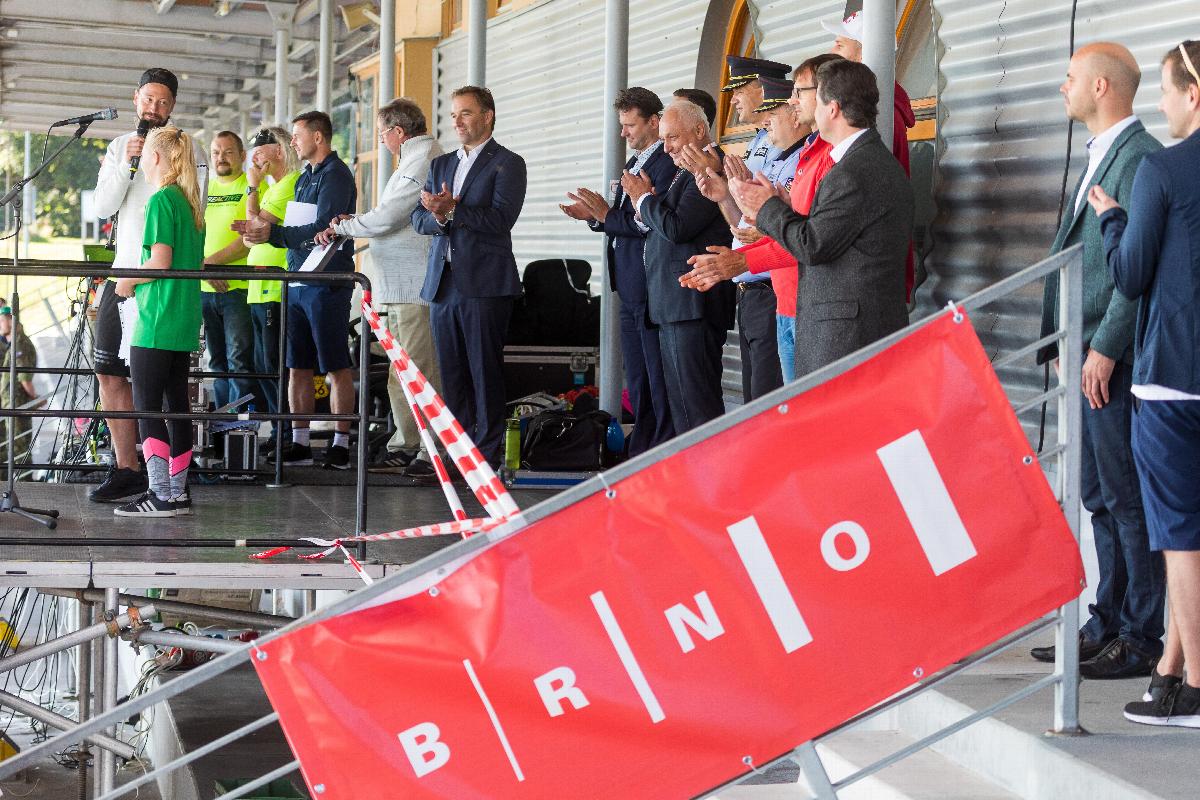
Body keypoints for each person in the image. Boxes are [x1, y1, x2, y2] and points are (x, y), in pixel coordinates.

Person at [1029, 43, 1165, 678]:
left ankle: (1141, 636)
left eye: (1070, 77)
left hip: (1113, 357)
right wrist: (1064, 343)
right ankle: (1106, 619)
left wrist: (1105, 346)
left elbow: (1137, 269)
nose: (1063, 87)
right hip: (1081, 352)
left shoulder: (1139, 158)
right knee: (1098, 495)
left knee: (1125, 496)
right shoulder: (1104, 152)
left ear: (1102, 86)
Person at [1088, 39, 1200, 728]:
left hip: (1172, 379)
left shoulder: (1162, 168)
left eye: (1165, 90)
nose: (1161, 104)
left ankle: (1195, 686)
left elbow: (1130, 275)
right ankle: (1170, 674)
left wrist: (1111, 220)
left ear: (1193, 93)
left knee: (1181, 539)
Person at [728, 59, 912, 378]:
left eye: (803, 93)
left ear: (833, 108)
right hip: (848, 329)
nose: (794, 102)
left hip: (847, 335)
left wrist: (768, 207)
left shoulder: (854, 172)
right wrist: (784, 206)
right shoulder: (860, 162)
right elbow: (829, 234)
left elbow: (813, 246)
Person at [681, 54, 843, 384]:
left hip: (786, 293)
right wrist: (725, 196)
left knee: (781, 401)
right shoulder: (788, 154)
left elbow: (808, 238)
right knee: (763, 399)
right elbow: (750, 225)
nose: (767, 126)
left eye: (798, 96)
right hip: (773, 296)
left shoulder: (825, 159)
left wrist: (742, 260)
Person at [90, 67, 207, 504]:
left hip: (160, 283)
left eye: (163, 101)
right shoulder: (120, 146)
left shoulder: (187, 150)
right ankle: (129, 468)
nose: (154, 108)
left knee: (163, 388)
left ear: (172, 106)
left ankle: (170, 483)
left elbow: (196, 208)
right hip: (124, 273)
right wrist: (126, 165)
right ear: (135, 98)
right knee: (110, 372)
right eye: (148, 99)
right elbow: (103, 206)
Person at [316, 98, 444, 478]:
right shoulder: (411, 159)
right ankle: (405, 444)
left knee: (419, 371)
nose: (381, 141)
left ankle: (428, 449)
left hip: (415, 289)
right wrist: (356, 220)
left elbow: (389, 217)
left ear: (398, 132)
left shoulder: (421, 159)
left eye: (382, 133)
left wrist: (344, 227)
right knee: (400, 372)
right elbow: (387, 215)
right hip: (400, 288)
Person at [412, 86, 527, 466]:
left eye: (465, 113)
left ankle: (486, 454)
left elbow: (500, 220)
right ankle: (458, 452)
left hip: (484, 284)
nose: (457, 121)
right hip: (443, 283)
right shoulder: (441, 165)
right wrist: (439, 215)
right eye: (453, 114)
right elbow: (418, 219)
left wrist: (452, 211)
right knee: (452, 374)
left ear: (487, 116)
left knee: (484, 371)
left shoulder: (508, 163)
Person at [238, 111, 358, 470]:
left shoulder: (336, 175)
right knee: (297, 365)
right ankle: (300, 441)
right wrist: (272, 235)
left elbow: (324, 226)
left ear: (318, 137)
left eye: (297, 135)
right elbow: (299, 226)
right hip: (297, 279)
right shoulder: (306, 176)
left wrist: (272, 234)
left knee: (335, 364)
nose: (292, 142)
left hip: (327, 281)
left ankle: (340, 443)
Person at [560, 87, 677, 455]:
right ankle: (641, 442)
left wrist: (606, 215)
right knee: (638, 375)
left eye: (630, 125)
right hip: (628, 283)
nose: (623, 133)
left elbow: (647, 224)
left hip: (648, 282)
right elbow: (623, 219)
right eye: (622, 125)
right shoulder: (636, 161)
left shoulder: (666, 163)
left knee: (654, 374)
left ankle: (658, 445)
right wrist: (596, 218)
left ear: (655, 122)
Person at [622, 100, 735, 433]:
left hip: (692, 305)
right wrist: (649, 203)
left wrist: (643, 199)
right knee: (683, 409)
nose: (666, 147)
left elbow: (677, 228)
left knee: (696, 409)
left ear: (699, 130)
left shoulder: (710, 166)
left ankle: (708, 466)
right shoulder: (684, 171)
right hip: (676, 305)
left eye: (672, 137)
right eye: (663, 139)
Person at [111, 127, 205, 517]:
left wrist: (127, 281)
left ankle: (160, 493)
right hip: (183, 317)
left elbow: (160, 261)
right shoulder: (190, 203)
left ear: (153, 158)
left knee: (147, 405)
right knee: (177, 405)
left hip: (156, 318)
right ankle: (177, 493)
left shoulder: (161, 200)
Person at [822, 10, 917, 300]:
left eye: (840, 44)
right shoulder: (880, 111)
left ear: (864, 53)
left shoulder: (881, 116)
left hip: (868, 278)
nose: (831, 51)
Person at [242, 126, 302, 450]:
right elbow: (249, 234)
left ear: (278, 150)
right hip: (258, 286)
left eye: (260, 148)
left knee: (273, 365)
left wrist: (251, 187)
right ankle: (280, 430)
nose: (255, 156)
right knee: (261, 366)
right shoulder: (272, 187)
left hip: (275, 287)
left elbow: (254, 226)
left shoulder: (288, 183)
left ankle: (287, 433)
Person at [201, 131, 256, 414]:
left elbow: (248, 240)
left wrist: (208, 264)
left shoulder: (252, 188)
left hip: (238, 289)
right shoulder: (204, 189)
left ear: (242, 156)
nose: (220, 158)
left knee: (239, 360)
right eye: (216, 152)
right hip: (204, 288)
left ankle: (239, 423)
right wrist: (205, 269)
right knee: (216, 362)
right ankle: (221, 423)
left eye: (228, 152)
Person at [0, 304, 38, 478]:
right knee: (7, 447)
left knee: (19, 448)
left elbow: (25, 379)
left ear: (11, 320)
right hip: (10, 404)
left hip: (18, 404)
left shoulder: (20, 344)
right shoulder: (12, 343)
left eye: (1, 321)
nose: (0, 325)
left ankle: (25, 485)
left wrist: (36, 398)